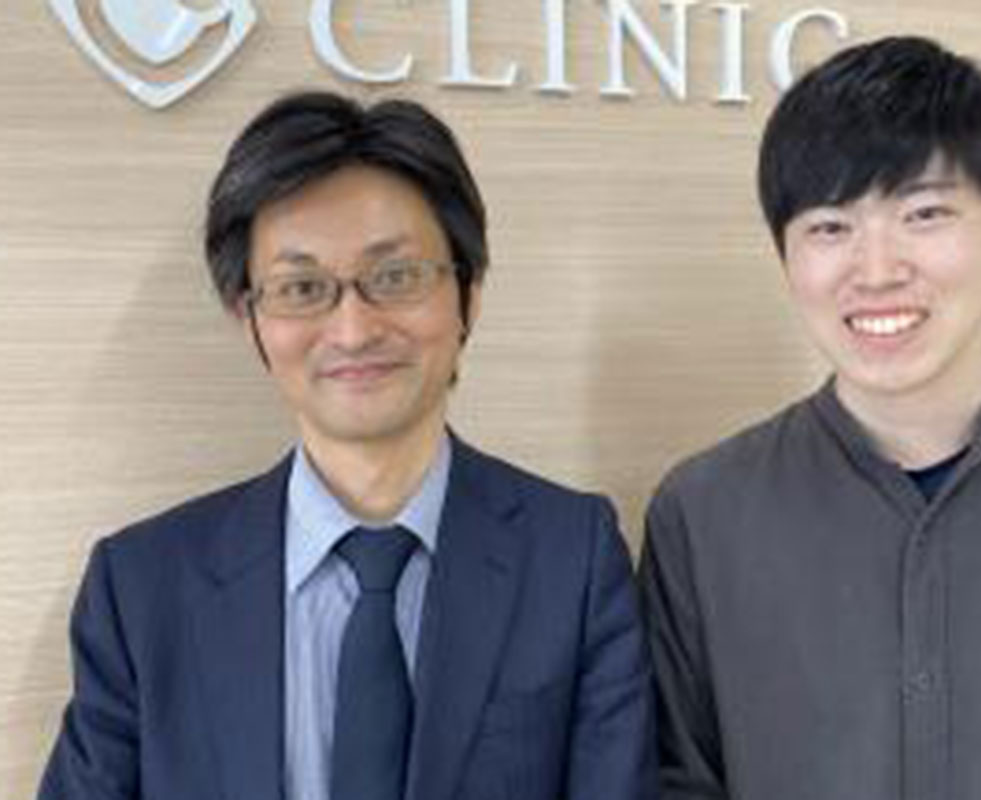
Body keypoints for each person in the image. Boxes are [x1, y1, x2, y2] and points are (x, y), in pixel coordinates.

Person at [39, 91, 654, 800]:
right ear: (249, 318)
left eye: (396, 277)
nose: (354, 330)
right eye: (302, 287)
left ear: (469, 294)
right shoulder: (141, 589)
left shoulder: (573, 558)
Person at [639, 35, 981, 800]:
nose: (876, 271)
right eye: (830, 226)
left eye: (925, 213)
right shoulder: (702, 515)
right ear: (784, 256)